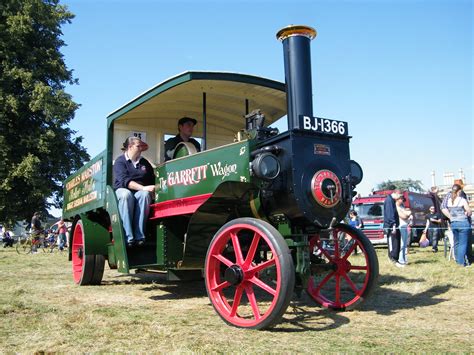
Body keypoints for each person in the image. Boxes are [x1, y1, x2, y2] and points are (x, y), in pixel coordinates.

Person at [113, 136, 155, 247]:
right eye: (138, 146)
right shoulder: (120, 161)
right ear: (130, 147)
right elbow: (124, 181)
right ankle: (128, 237)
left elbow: (152, 179)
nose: (141, 148)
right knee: (126, 195)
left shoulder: (145, 163)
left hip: (140, 192)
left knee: (145, 195)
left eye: (142, 146)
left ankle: (140, 236)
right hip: (123, 189)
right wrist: (143, 188)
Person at [441, 179, 472, 262]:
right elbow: (469, 211)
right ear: (459, 189)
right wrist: (467, 213)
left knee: (457, 242)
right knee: (463, 243)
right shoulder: (462, 199)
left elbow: (444, 208)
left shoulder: (450, 200)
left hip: (454, 223)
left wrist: (451, 217)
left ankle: (459, 260)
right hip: (463, 222)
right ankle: (462, 261)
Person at [384, 190, 403, 266]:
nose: (399, 198)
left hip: (393, 225)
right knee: (393, 243)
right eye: (399, 196)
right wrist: (393, 225)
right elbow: (390, 214)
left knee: (396, 242)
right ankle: (393, 259)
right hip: (391, 226)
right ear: (395, 193)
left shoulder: (391, 200)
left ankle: (395, 259)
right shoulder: (389, 200)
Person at [396, 196, 412, 266]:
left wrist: (407, 214)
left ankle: (404, 259)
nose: (403, 201)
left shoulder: (402, 207)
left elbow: (409, 213)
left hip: (405, 226)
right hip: (401, 226)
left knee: (405, 244)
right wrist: (407, 214)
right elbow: (404, 216)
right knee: (402, 244)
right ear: (398, 199)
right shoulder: (397, 208)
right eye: (402, 199)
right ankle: (401, 260)